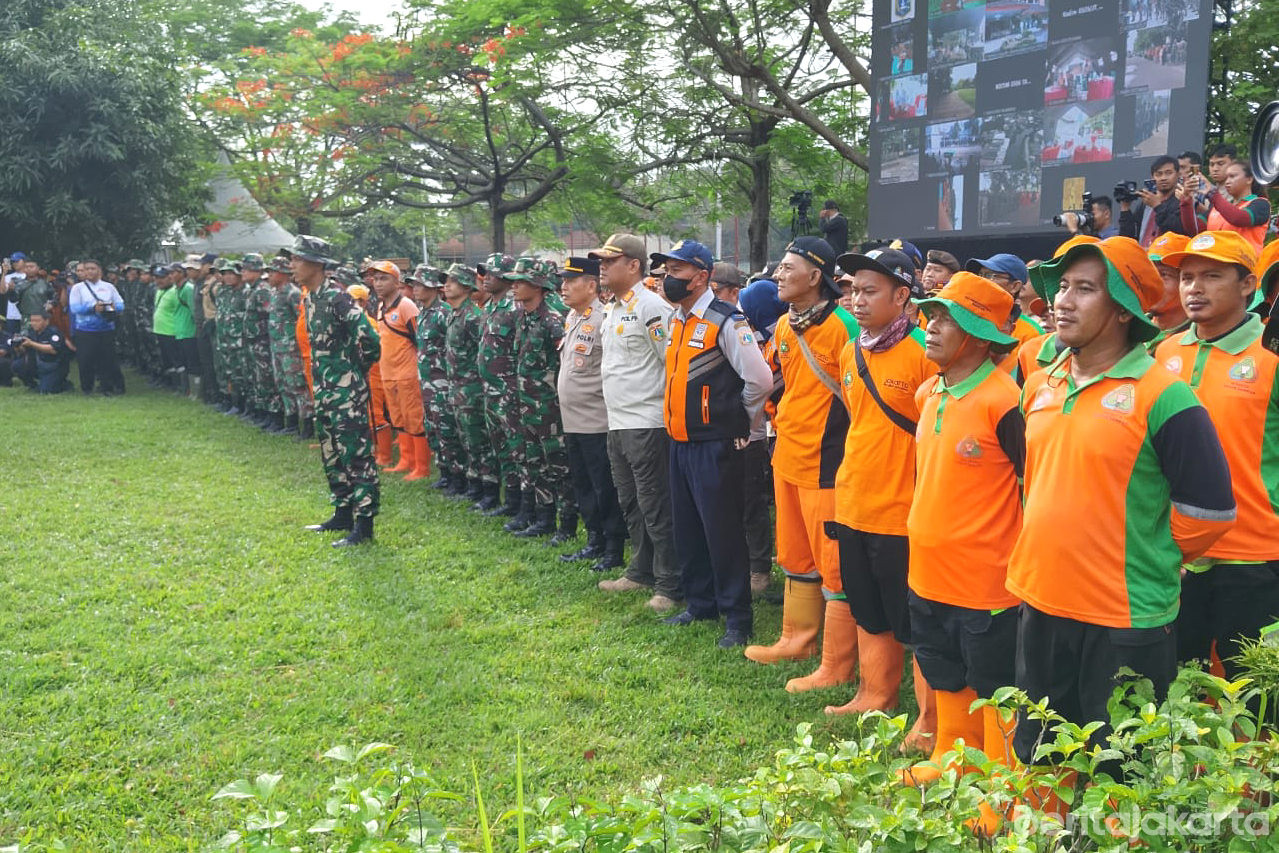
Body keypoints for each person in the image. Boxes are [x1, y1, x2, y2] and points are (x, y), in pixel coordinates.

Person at [1008, 236, 1236, 775]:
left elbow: (1210, 513)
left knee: (1123, 768)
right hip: (1039, 601)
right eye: (1062, 286)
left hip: (1124, 619)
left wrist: (1147, 555)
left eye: (1085, 289)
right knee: (1042, 754)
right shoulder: (1040, 384)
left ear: (1121, 311)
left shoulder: (1166, 396)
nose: (1063, 300)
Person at [899, 273, 1023, 795]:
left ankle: (999, 783)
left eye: (947, 319)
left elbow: (1033, 486)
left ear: (977, 335)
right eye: (932, 314)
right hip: (928, 574)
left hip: (986, 585)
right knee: (945, 672)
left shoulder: (1004, 400)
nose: (931, 326)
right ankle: (954, 757)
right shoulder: (934, 393)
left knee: (995, 686)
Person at [825, 246, 937, 753]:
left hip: (903, 512)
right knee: (868, 608)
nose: (857, 300)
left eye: (870, 291)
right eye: (852, 289)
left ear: (902, 295)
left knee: (913, 621)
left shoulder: (924, 353)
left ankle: (931, 717)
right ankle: (875, 694)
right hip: (854, 504)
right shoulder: (852, 351)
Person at [1154, 231, 1279, 680]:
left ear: (1248, 284)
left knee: (1257, 697)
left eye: (1212, 276)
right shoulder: (1165, 351)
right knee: (1178, 683)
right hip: (1179, 554)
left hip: (1255, 556)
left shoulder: (1272, 352)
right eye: (1186, 277)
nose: (1194, 288)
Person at [743, 239, 859, 686]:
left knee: (834, 565)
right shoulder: (786, 327)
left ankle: (836, 663)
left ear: (815, 277)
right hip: (789, 456)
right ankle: (796, 638)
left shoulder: (844, 326)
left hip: (827, 464)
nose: (778, 276)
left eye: (788, 268)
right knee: (794, 555)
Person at [654, 240, 772, 646]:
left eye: (677, 270)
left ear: (702, 276)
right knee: (688, 527)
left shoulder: (727, 321)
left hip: (716, 444)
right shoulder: (676, 319)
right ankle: (700, 603)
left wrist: (738, 420)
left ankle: (738, 619)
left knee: (722, 532)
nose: (669, 278)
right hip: (680, 442)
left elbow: (759, 380)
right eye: (667, 269)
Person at [590, 234, 682, 609]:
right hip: (619, 422)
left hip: (647, 423)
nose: (602, 267)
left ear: (633, 265)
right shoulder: (612, 308)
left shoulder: (651, 307)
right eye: (601, 261)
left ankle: (670, 583)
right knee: (631, 502)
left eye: (610, 261)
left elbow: (671, 365)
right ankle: (640, 571)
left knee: (655, 504)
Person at [292, 236, 382, 547]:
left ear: (316, 265)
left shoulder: (338, 298)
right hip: (325, 391)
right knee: (332, 454)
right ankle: (342, 512)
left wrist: (356, 372)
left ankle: (364, 525)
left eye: (297, 259)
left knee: (356, 456)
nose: (292, 264)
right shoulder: (310, 298)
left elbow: (370, 338)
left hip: (346, 393)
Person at [556, 256, 627, 568]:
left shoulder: (604, 318)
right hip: (573, 420)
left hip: (597, 421)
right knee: (583, 485)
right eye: (563, 281)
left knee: (604, 487)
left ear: (591, 285)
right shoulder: (573, 317)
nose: (563, 287)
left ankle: (613, 548)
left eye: (571, 282)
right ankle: (594, 540)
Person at [506, 256, 569, 538]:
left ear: (539, 285)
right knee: (535, 463)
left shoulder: (553, 321)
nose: (514, 286)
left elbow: (566, 364)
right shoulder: (523, 317)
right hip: (527, 405)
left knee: (558, 466)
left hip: (550, 408)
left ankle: (566, 525)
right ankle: (543, 519)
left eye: (521, 281)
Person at [368, 260, 429, 480]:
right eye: (375, 279)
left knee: (413, 418)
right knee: (398, 418)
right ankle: (406, 460)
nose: (378, 283)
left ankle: (421, 467)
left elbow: (419, 340)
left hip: (407, 374)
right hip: (388, 374)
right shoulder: (380, 307)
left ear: (397, 281)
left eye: (383, 278)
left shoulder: (406, 306)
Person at [440, 263, 487, 501]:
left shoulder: (473, 317)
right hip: (457, 388)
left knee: (479, 442)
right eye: (446, 280)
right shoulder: (454, 313)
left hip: (472, 390)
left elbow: (483, 355)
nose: (446, 285)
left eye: (453, 281)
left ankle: (486, 491)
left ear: (467, 286)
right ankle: (473, 485)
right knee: (465, 440)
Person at [476, 253, 520, 513]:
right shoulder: (490, 306)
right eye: (485, 273)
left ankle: (524, 505)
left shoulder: (514, 308)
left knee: (516, 449)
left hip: (509, 391)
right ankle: (510, 500)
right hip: (489, 390)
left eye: (492, 273)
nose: (486, 278)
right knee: (500, 447)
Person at [1180, 160, 1271, 255]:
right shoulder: (1218, 207)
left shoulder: (1261, 204)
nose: (1227, 181)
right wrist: (1186, 201)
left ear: (1249, 179)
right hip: (1218, 265)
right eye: (1227, 177)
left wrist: (1212, 194)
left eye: (1232, 176)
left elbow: (1238, 218)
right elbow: (1194, 230)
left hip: (1246, 266)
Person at [267, 254, 313, 438]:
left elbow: (301, 319)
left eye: (272, 272)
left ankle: (307, 425)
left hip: (291, 350)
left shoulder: (292, 293)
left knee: (298, 386)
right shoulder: (275, 293)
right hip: (277, 348)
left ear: (282, 273)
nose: (269, 276)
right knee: (284, 385)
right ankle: (292, 422)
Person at [411, 265, 448, 484]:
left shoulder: (443, 313)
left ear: (433, 287)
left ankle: (456, 476)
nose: (415, 288)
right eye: (414, 284)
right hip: (426, 382)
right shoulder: (423, 314)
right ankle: (444, 472)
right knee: (432, 428)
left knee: (446, 430)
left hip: (442, 382)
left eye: (420, 284)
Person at [68, 259, 125, 395]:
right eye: (86, 269)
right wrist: (92, 308)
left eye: (92, 268)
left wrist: (110, 307)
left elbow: (121, 304)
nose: (89, 271)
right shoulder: (78, 288)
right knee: (85, 359)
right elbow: (75, 308)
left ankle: (107, 387)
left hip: (106, 329)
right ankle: (87, 387)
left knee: (107, 359)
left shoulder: (108, 287)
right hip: (85, 330)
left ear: (99, 270)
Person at [964, 253, 1043, 344]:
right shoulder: (965, 317)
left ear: (1015, 286)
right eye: (980, 275)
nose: (981, 281)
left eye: (989, 276)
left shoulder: (1031, 332)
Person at [1118, 155, 1187, 246]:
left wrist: (1157, 206)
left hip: (1167, 257)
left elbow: (1177, 230)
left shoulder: (1182, 200)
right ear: (1152, 177)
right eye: (1158, 174)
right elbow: (1128, 238)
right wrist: (1125, 209)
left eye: (1168, 173)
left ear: (1178, 175)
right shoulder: (1146, 203)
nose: (1163, 178)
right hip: (1144, 257)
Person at [1145, 231, 1191, 346]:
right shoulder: (1128, 327)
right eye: (1149, 272)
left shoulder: (1198, 338)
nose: (1152, 282)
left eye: (1164, 274)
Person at [11, 310, 70, 393]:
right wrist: (18, 347)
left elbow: (53, 350)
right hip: (37, 363)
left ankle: (64, 384)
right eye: (32, 321)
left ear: (46, 321)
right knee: (17, 365)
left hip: (54, 365)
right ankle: (31, 384)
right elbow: (25, 351)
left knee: (46, 391)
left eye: (37, 321)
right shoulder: (31, 333)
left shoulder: (54, 332)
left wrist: (32, 343)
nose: (33, 323)